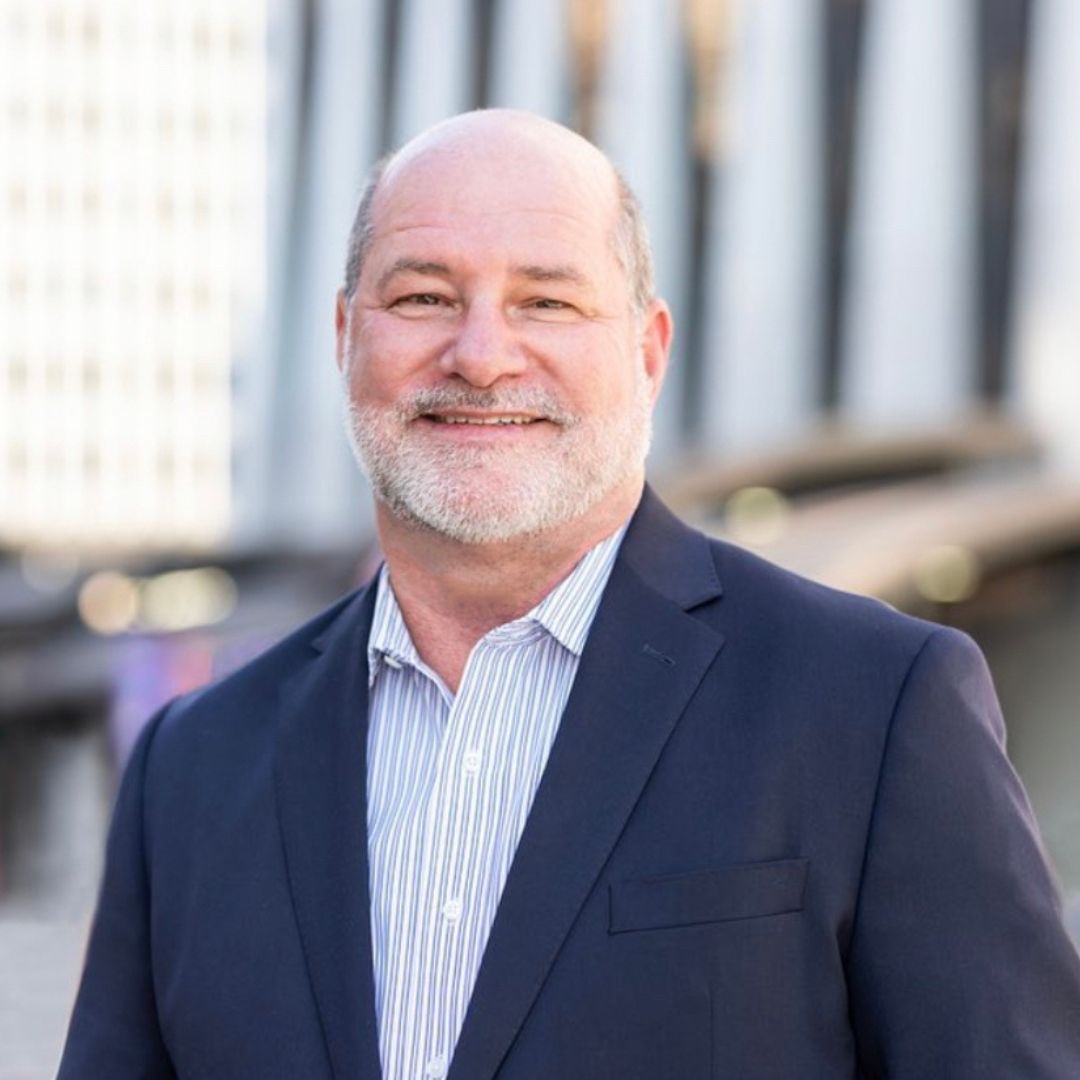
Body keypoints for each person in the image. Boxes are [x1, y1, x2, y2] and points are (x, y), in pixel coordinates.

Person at [60, 110, 1080, 1079]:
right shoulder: (192, 768)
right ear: (344, 337)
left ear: (647, 350)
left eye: (546, 300)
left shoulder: (875, 704)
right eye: (423, 298)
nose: (482, 355)